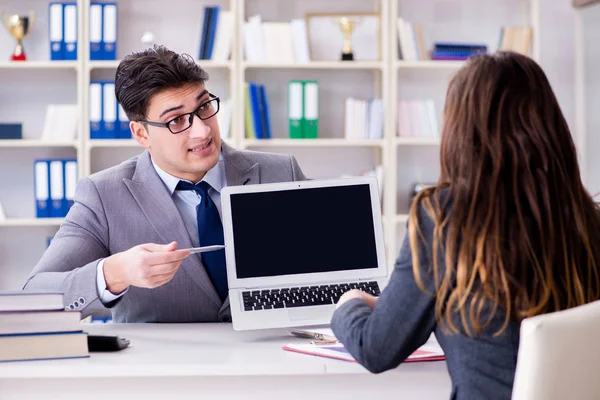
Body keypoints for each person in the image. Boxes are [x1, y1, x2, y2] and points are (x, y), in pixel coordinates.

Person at [331, 51, 600, 400]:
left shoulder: (442, 218)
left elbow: (376, 349)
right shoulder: (587, 220)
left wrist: (348, 304)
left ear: (461, 130)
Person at [24, 45, 306, 323]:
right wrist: (115, 273)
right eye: (176, 120)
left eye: (204, 106)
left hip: (273, 357)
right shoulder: (104, 196)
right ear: (141, 133)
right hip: (162, 365)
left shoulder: (281, 172)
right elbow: (33, 301)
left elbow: (343, 262)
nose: (202, 130)